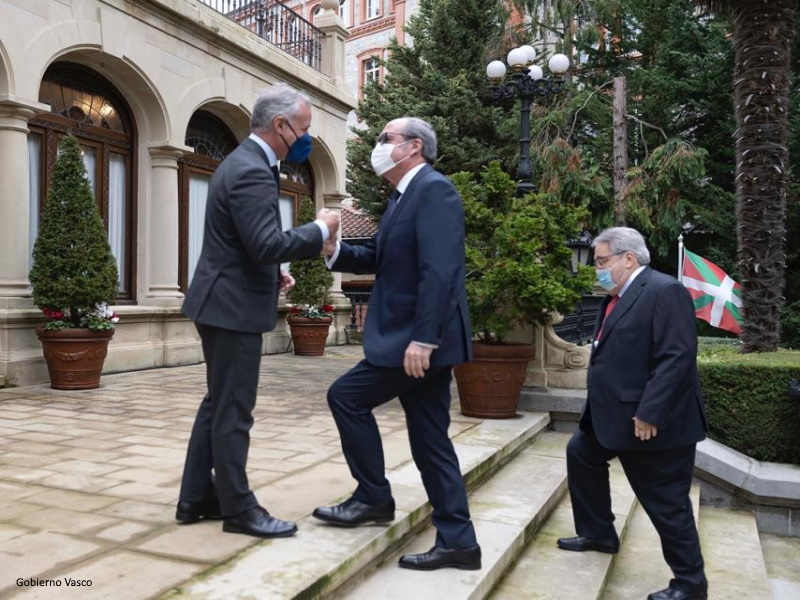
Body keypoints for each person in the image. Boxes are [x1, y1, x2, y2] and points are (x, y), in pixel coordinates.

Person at [312, 117, 480, 571]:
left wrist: (425, 339)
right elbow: (379, 257)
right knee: (430, 443)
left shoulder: (434, 190)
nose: (377, 146)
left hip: (417, 341)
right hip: (413, 340)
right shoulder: (403, 195)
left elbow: (439, 271)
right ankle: (458, 541)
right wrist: (333, 250)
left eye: (385, 139)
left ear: (413, 148)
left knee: (346, 396)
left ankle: (372, 497)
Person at [176, 83, 340, 539]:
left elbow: (244, 244)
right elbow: (266, 243)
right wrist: (318, 227)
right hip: (230, 308)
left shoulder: (250, 164)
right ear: (281, 125)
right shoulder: (250, 168)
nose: (306, 138)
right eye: (303, 128)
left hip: (225, 298)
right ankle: (239, 509)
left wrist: (272, 276)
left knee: (218, 404)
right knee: (234, 411)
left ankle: (196, 498)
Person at [557, 227, 708, 600]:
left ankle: (690, 585)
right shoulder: (617, 296)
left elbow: (676, 357)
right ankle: (598, 533)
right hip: (609, 416)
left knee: (666, 502)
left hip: (651, 423)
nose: (598, 269)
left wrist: (650, 412)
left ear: (629, 258)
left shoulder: (663, 290)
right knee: (580, 454)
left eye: (603, 261)